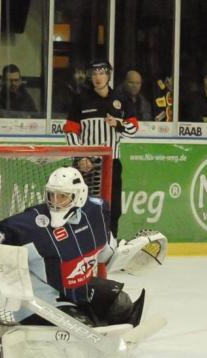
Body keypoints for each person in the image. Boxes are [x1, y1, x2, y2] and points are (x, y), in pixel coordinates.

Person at [0, 167, 167, 358]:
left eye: (63, 196)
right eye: (52, 195)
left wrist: (124, 253)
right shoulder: (36, 221)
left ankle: (106, 338)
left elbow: (105, 253)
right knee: (77, 331)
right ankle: (19, 356)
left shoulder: (97, 212)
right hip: (44, 299)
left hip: (79, 288)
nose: (55, 202)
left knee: (121, 304)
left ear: (79, 197)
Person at [63, 60, 138, 237]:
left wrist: (118, 124)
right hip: (86, 163)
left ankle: (109, 244)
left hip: (112, 163)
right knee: (83, 206)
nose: (98, 77)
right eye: (94, 73)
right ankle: (83, 245)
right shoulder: (81, 99)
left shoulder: (121, 99)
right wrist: (81, 157)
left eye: (102, 73)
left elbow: (133, 129)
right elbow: (70, 130)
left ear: (108, 76)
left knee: (114, 208)